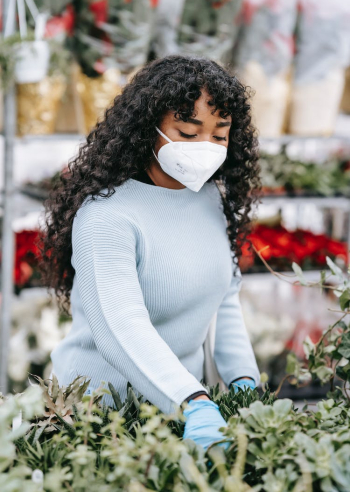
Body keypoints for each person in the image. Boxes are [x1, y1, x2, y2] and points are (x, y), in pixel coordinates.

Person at [39, 55, 261, 451]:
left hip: (180, 415)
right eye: (188, 134)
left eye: (220, 134)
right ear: (148, 130)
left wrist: (245, 381)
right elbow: (121, 327)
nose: (205, 148)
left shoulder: (210, 198)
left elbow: (224, 300)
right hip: (96, 419)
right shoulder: (106, 216)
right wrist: (192, 401)